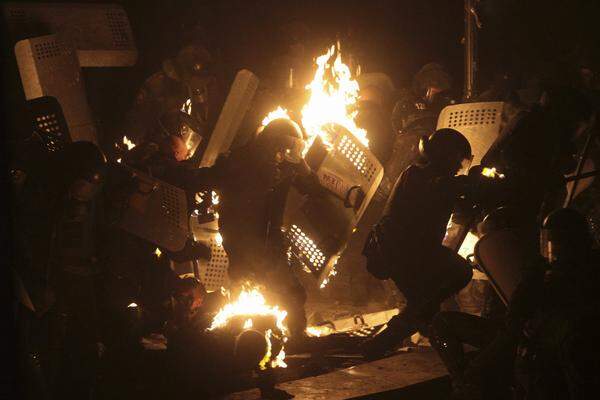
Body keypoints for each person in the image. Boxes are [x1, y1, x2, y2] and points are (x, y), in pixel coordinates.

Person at [430, 208, 600, 399]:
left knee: (477, 376)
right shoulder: (548, 269)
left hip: (537, 343)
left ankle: (467, 384)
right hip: (528, 335)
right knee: (445, 325)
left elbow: (518, 316)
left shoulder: (554, 273)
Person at [360, 128, 474, 359]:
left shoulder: (437, 181)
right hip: (396, 251)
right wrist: (466, 185)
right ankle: (381, 343)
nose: (458, 167)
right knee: (456, 274)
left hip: (412, 251)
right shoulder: (415, 175)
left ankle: (384, 343)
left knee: (425, 303)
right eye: (456, 160)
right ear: (445, 156)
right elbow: (436, 190)